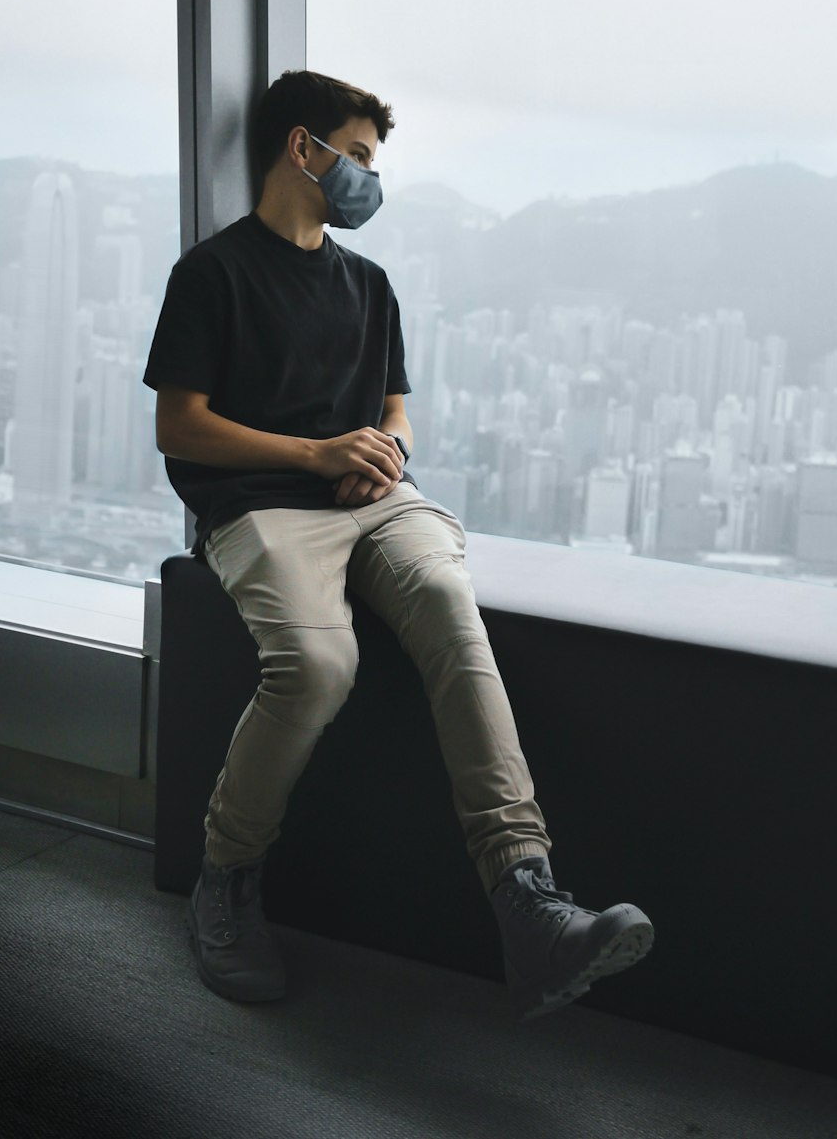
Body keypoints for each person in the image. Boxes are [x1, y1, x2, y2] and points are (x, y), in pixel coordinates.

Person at [142, 68, 654, 1019]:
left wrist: (387, 455)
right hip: (262, 510)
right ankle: (227, 877)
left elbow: (398, 410)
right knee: (316, 664)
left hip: (379, 504)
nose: (369, 179)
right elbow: (180, 425)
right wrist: (315, 451)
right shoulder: (212, 275)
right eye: (362, 157)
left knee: (454, 617)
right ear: (305, 148)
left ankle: (527, 900)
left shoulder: (369, 285)